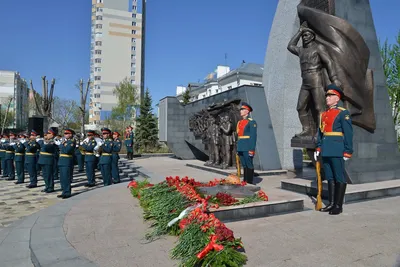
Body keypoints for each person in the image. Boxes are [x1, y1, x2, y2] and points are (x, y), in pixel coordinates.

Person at [287, 22, 342, 138]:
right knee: (300, 107)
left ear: (312, 36)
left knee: (319, 107)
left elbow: (329, 62)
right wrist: (299, 31)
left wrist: (334, 78)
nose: (304, 38)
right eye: (303, 36)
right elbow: (290, 46)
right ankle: (306, 129)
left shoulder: (318, 48)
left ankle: (321, 131)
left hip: (316, 78)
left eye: (306, 35)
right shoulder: (301, 50)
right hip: (305, 81)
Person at [314, 84, 353, 215]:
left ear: (337, 98)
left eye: (330, 96)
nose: (327, 98)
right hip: (326, 149)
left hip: (337, 149)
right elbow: (320, 133)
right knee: (329, 177)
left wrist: (348, 151)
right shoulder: (324, 114)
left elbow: (348, 133)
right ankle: (330, 203)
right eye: (327, 95)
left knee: (339, 178)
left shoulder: (343, 113)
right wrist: (318, 147)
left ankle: (338, 205)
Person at [236, 102, 257, 184]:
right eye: (240, 109)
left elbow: (253, 137)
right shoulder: (239, 122)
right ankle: (245, 181)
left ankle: (250, 181)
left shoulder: (252, 122)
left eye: (242, 109)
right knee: (244, 164)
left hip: (247, 147)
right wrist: (238, 148)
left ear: (247, 111)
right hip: (241, 146)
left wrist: (251, 149)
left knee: (249, 164)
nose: (240, 111)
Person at [57, 129, 76, 199]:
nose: (65, 135)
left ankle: (67, 192)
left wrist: (61, 145)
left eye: (67, 133)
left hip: (67, 161)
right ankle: (64, 191)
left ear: (71, 134)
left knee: (66, 177)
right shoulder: (65, 141)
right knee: (62, 178)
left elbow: (67, 150)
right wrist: (62, 145)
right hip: (62, 160)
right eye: (65, 133)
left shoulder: (72, 141)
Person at [38, 128, 58, 193]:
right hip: (43, 159)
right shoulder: (45, 141)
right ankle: (47, 186)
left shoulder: (54, 141)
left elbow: (46, 148)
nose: (47, 135)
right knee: (45, 175)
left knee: (49, 174)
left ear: (53, 135)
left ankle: (50, 187)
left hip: (48, 159)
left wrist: (45, 141)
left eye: (49, 133)